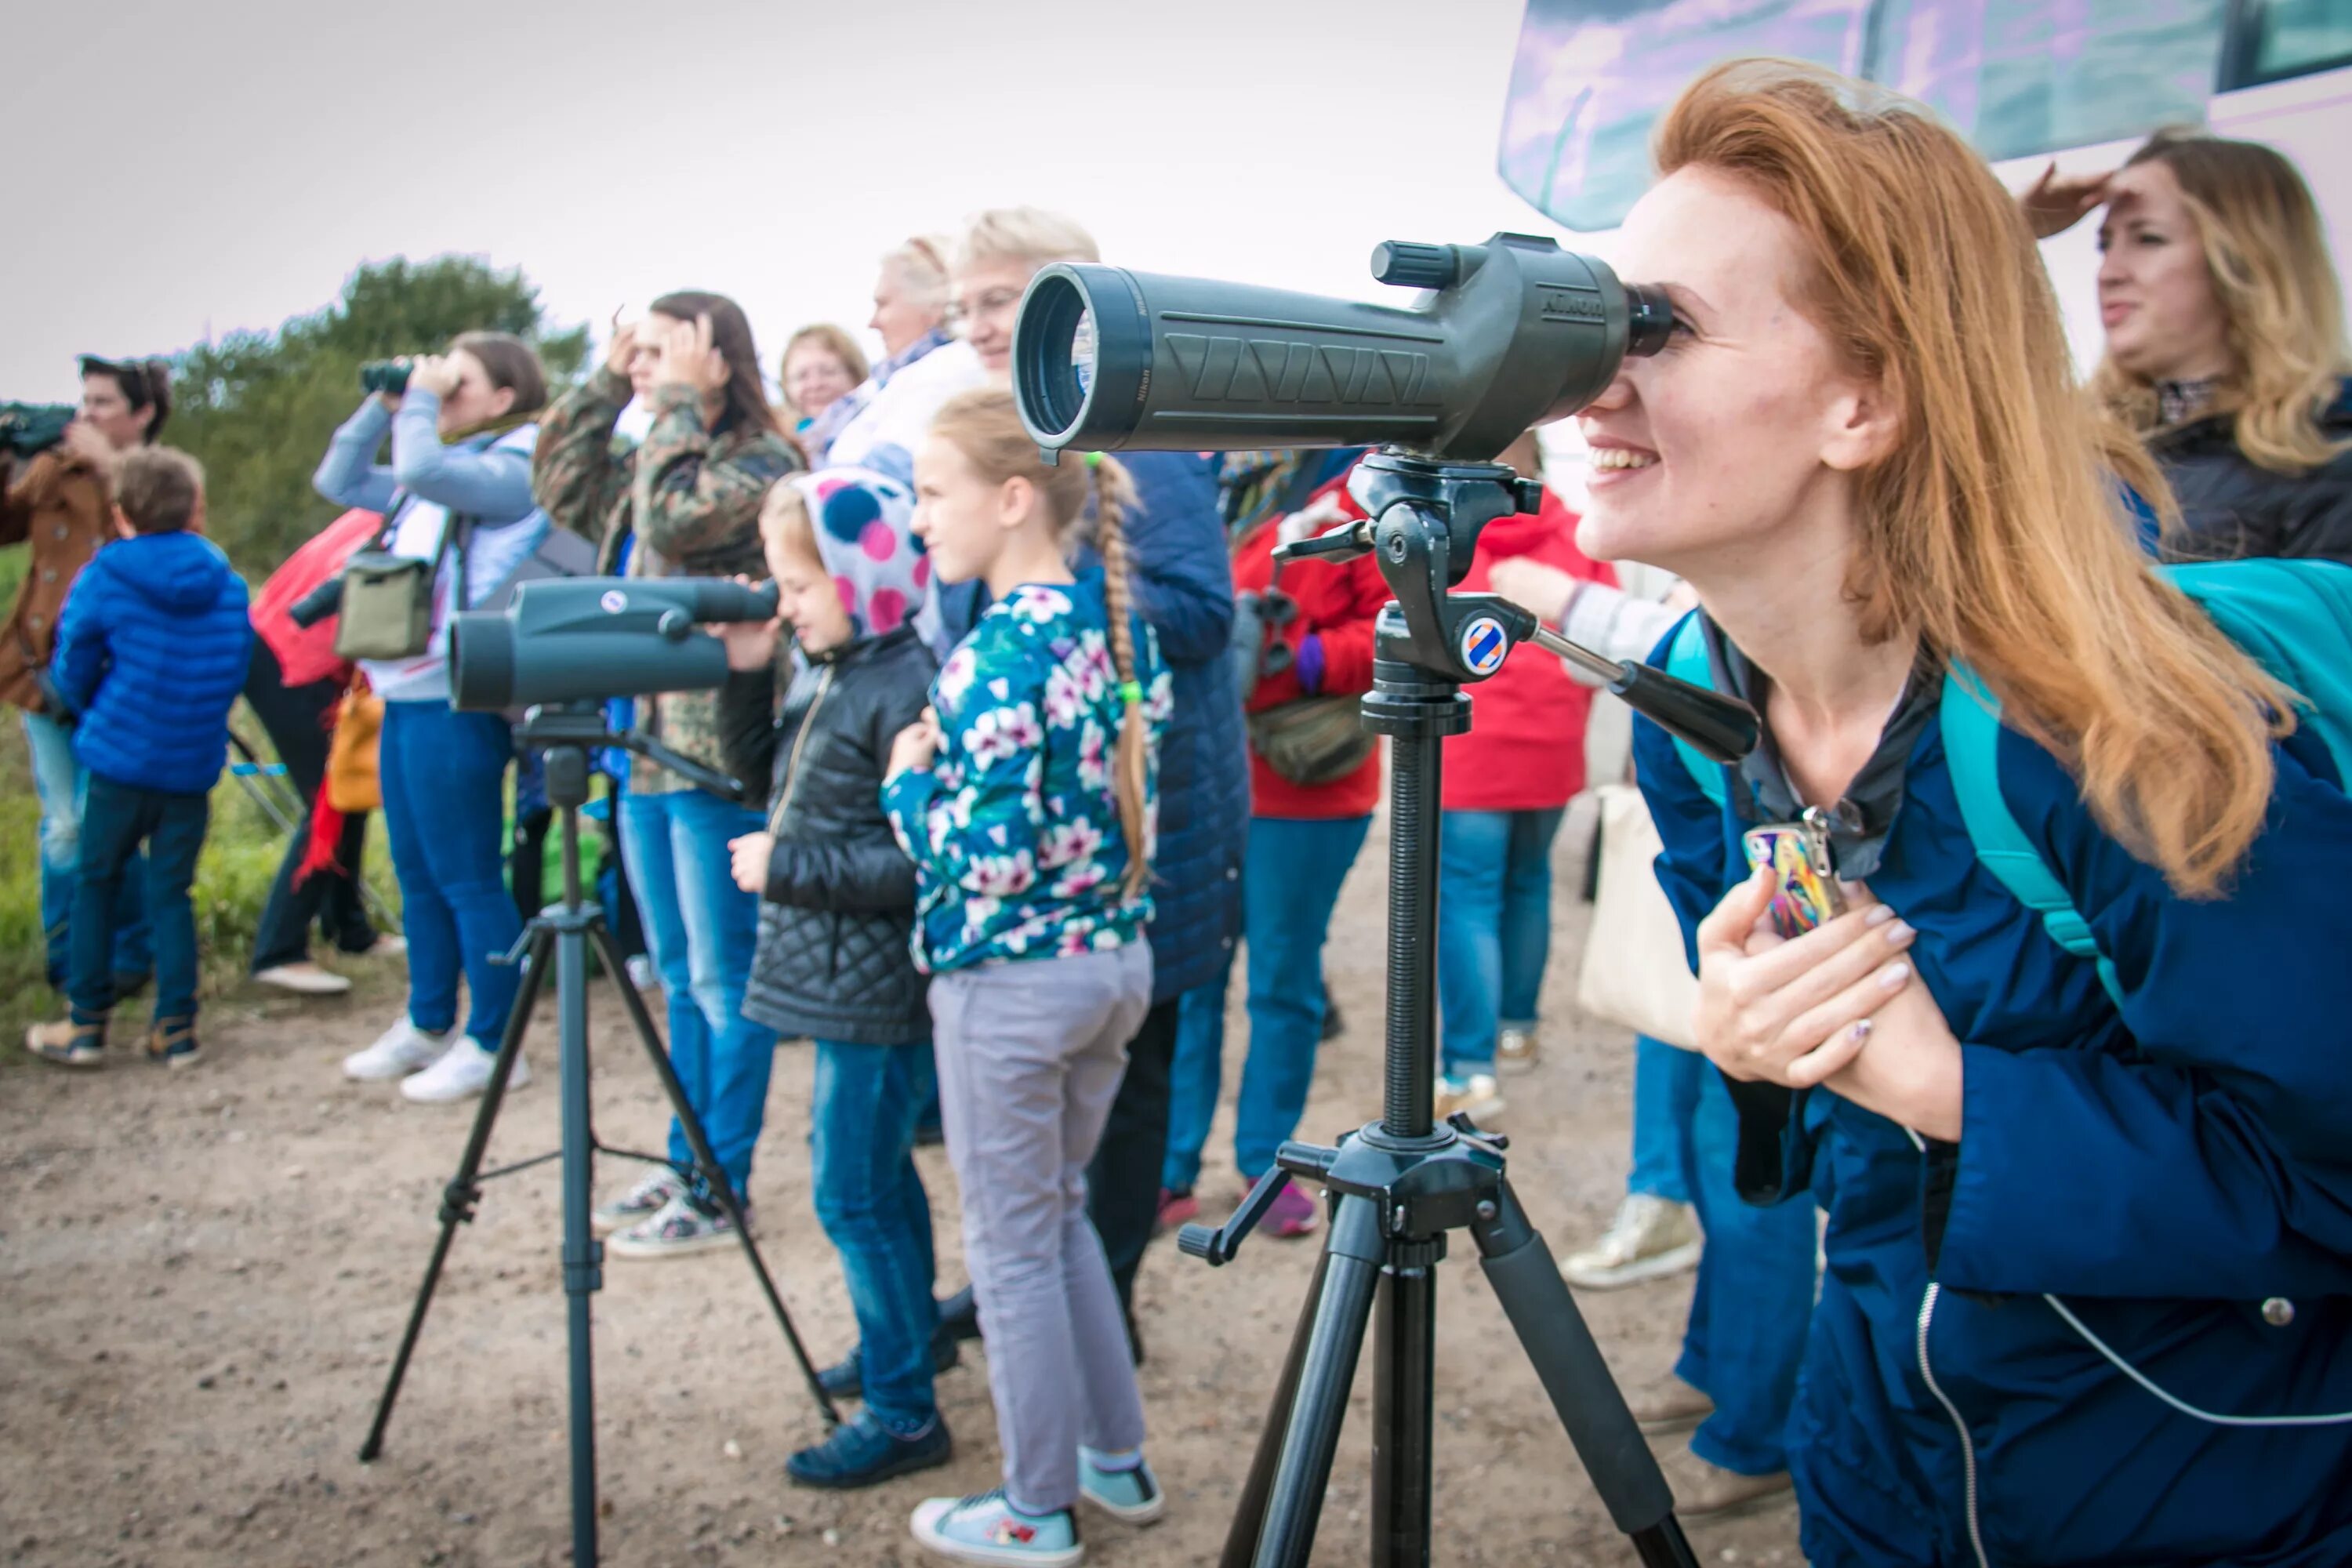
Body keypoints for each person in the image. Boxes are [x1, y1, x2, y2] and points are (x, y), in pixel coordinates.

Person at [1610, 60, 2352, 1562]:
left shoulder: (2122, 736)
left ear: (1864, 401)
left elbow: (2325, 1179)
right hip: (1880, 1455)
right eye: (1592, 315)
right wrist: (1753, 1050)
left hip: (2192, 1491)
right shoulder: (1691, 724)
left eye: (1657, 329)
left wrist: (1956, 1092)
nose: (1588, 380)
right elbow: (1828, 1113)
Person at [912, 209, 1245, 1350]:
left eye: (1001, 299)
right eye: (964, 307)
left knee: (1127, 1084)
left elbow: (1204, 613)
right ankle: (1044, 1285)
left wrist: (1047, 607)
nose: (979, 326)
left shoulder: (1144, 440)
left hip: (1148, 829)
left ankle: (1097, 1298)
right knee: (1045, 1104)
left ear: (1077, 298)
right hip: (1053, 831)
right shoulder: (1010, 437)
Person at [885, 388, 1173, 1563]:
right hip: (1112, 966)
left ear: (1011, 500)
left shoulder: (999, 653)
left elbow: (989, 858)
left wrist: (908, 778)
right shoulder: (1114, 630)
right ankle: (1116, 1459)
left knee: (1012, 1247)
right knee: (1055, 1220)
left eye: (930, 493)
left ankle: (1033, 1508)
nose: (917, 521)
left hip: (1012, 983)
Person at [538, 292, 803, 1249]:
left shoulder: (760, 463)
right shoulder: (663, 447)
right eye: (636, 353)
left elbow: (672, 517)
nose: (644, 367)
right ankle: (686, 1159)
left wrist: (680, 405)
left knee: (726, 981)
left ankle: (720, 1181)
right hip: (643, 750)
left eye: (660, 351)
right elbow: (564, 485)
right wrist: (608, 382)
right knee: (683, 978)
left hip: (714, 752)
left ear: (715, 359)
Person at [712, 468, 946, 1486]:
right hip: (843, 982)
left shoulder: (905, 686)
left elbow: (917, 860)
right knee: (877, 1179)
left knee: (850, 1193)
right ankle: (911, 1346)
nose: (785, 605)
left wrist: (787, 866)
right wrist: (746, 670)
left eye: (799, 588)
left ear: (863, 575)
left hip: (878, 990)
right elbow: (761, 779)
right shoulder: (839, 666)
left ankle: (902, 1413)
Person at [318, 331, 551, 1102]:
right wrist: (385, 401)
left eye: (460, 381)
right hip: (406, 694)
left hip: (459, 699)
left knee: (467, 874)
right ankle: (427, 1020)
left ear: (505, 396)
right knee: (417, 873)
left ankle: (495, 1037)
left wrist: (419, 401)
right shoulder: (441, 474)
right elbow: (340, 476)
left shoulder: (516, 465)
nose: (442, 396)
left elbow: (421, 463)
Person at [2023, 130, 2351, 562]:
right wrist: (2005, 228)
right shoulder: (2072, 439)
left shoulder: (2328, 451)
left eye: (2148, 239)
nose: (2109, 272)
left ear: (2244, 260)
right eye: (2105, 245)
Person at [24, 448, 249, 1069]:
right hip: (191, 765)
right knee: (172, 891)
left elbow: (73, 666)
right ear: (196, 509)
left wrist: (89, 705)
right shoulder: (227, 584)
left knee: (96, 883)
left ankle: (85, 1025)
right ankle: (175, 1029)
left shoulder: (104, 575)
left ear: (121, 514)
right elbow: (233, 666)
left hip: (121, 763)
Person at [1220, 468, 1388, 1238]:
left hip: (1305, 781)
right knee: (1190, 983)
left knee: (1283, 979)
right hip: (1212, 777)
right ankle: (1168, 1165)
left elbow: (1401, 627)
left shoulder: (1365, 488)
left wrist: (1299, 660)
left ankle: (1265, 1161)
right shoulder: (1228, 480)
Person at [1427, 429, 1612, 1109]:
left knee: (1470, 896)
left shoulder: (1446, 532)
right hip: (1552, 735)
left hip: (1474, 739)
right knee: (1527, 882)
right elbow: (1603, 636)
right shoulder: (1575, 532)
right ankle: (1516, 1032)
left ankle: (1470, 1065)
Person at [2, 356, 169, 997]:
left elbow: (169, 541)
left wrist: (110, 465)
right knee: (66, 823)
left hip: (124, 678)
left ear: (142, 413)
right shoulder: (56, 470)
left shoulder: (164, 477)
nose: (87, 415)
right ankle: (72, 959)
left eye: (103, 402)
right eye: (85, 401)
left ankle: (128, 952)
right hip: (45, 667)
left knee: (115, 817)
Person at [241, 506, 401, 995]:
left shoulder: (382, 510)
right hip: (293, 661)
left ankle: (349, 929)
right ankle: (279, 950)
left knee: (349, 790)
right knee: (329, 799)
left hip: (274, 639)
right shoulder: (415, 525)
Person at [779, 323, 869, 465]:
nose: (815, 384)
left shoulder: (871, 429)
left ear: (855, 376)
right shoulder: (782, 444)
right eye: (802, 376)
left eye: (828, 372)